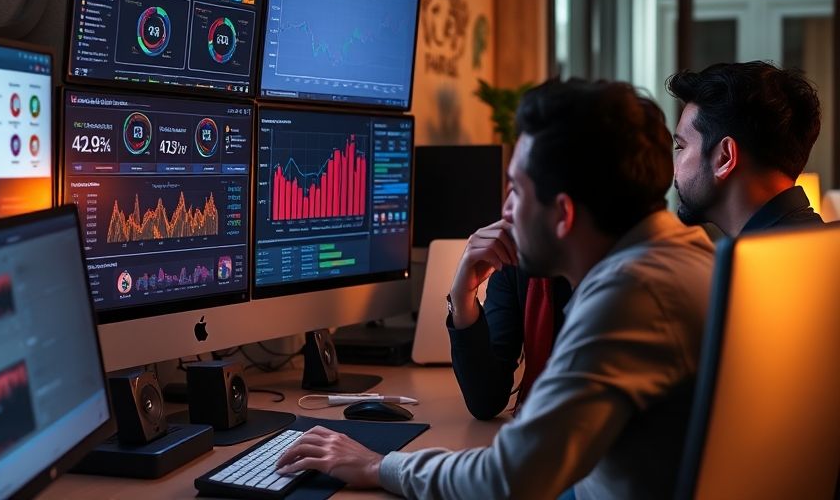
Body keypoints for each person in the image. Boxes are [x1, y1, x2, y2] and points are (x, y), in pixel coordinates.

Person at [275, 79, 716, 499]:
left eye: (517, 191)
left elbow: (506, 480)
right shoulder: (683, 253)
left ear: (563, 214)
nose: (504, 209)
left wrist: (376, 466)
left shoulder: (631, 295)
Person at [447, 185, 572, 419]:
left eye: (519, 189)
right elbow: (486, 400)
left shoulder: (619, 278)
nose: (506, 211)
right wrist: (462, 295)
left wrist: (377, 459)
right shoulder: (518, 263)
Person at [667, 61, 824, 235]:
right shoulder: (825, 241)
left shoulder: (755, 259)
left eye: (680, 146)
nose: (673, 169)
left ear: (725, 158)